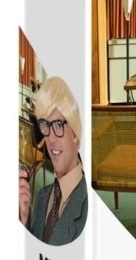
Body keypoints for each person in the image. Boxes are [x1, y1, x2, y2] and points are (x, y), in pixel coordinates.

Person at [19, 75, 88, 245]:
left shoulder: (88, 207)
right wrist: (24, 218)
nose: (50, 139)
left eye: (58, 125)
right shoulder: (42, 197)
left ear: (75, 134)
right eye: (46, 125)